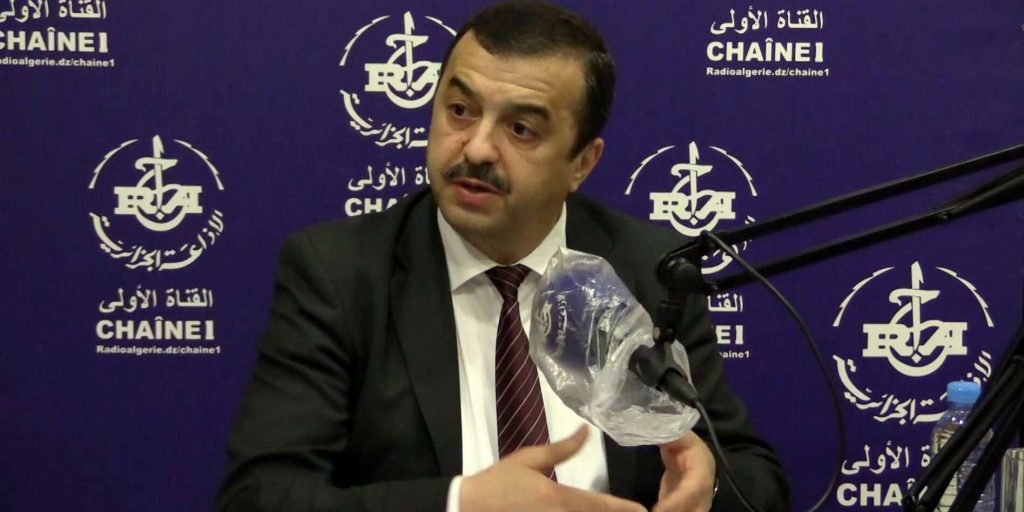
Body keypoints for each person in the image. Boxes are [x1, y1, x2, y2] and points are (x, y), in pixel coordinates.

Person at [216, 2, 790, 511]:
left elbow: (755, 477)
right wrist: (460, 504)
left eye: (520, 128)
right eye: (459, 110)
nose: (477, 147)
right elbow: (259, 496)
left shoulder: (648, 268)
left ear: (582, 163)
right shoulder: (340, 274)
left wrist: (708, 483)